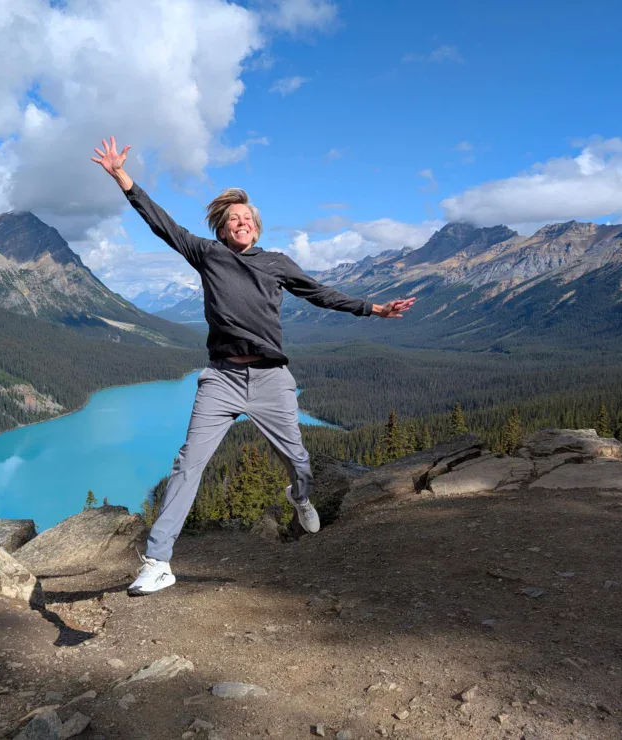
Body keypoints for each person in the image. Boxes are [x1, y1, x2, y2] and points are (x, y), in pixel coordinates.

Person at [91, 136, 416, 596]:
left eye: (247, 219)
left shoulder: (277, 263)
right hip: (221, 378)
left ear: (256, 229)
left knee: (298, 461)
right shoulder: (207, 254)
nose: (240, 223)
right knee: (189, 464)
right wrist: (123, 178)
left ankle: (297, 497)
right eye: (232, 220)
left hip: (270, 378)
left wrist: (374, 309)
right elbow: (161, 225)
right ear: (222, 231)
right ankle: (158, 560)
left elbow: (321, 293)